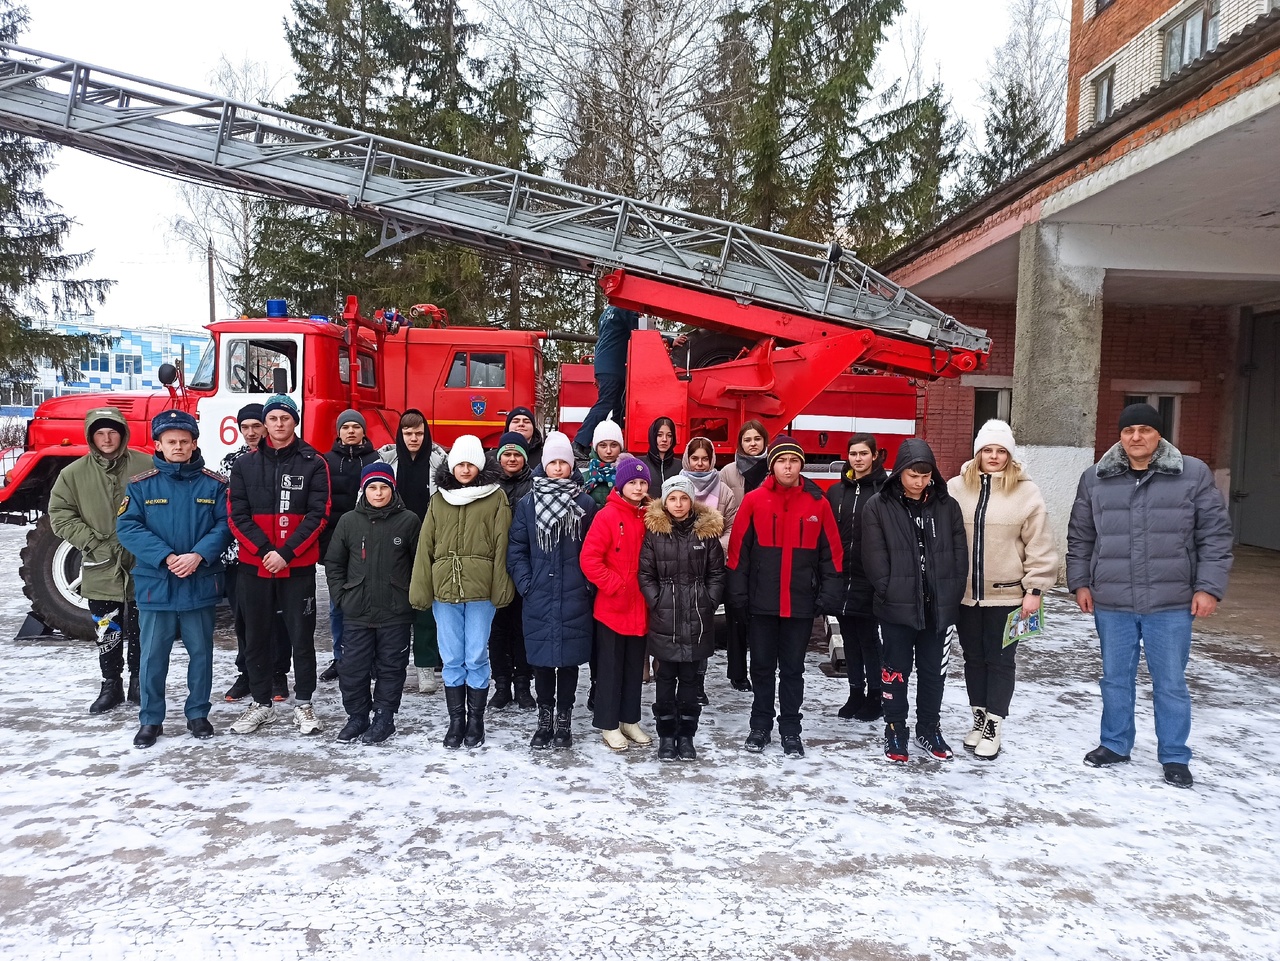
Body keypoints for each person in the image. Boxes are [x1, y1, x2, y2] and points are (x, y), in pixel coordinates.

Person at [1067, 403, 1233, 789]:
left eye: (1144, 430)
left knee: (1171, 681)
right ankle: (1115, 744)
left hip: (1171, 601)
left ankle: (1174, 755)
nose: (1136, 437)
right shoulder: (1095, 478)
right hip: (1112, 600)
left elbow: (1214, 535)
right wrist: (1080, 582)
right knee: (1115, 679)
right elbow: (1080, 537)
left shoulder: (1192, 474)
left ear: (1159, 434)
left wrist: (1208, 587)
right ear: (1120, 435)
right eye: (1128, 431)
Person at [116, 410, 231, 747]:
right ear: (159, 445)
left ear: (194, 443)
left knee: (201, 654)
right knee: (152, 656)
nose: (178, 447)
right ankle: (151, 719)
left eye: (184, 441)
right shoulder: (141, 486)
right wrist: (166, 557)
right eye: (171, 442)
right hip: (158, 584)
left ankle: (198, 714)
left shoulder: (215, 485)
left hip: (199, 580)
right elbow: (128, 527)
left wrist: (197, 555)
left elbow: (224, 525)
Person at [947, 421, 1056, 760]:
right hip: (965, 595)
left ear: (1009, 455)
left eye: (1001, 451)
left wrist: (1035, 590)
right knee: (973, 658)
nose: (993, 456)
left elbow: (1039, 544)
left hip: (1009, 595)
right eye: (988, 450)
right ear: (977, 452)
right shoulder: (955, 488)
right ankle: (978, 718)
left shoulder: (1026, 492)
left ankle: (995, 723)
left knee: (1001, 659)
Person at [727, 436, 841, 758]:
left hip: (800, 604)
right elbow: (738, 554)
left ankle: (791, 728)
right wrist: (738, 594)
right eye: (781, 461)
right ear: (772, 465)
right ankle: (760, 725)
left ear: (801, 465)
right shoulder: (754, 501)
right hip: (762, 603)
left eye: (793, 461)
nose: (787, 466)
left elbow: (831, 554)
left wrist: (828, 593)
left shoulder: (818, 503)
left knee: (792, 670)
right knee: (761, 668)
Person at [227, 394, 331, 736]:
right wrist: (264, 550)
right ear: (265, 423)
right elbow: (236, 515)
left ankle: (304, 703)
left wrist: (285, 553)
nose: (279, 424)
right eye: (273, 418)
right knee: (256, 636)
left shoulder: (313, 462)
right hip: (254, 567)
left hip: (296, 567)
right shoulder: (244, 465)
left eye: (285, 418)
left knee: (301, 637)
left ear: (295, 422)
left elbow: (319, 514)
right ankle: (261, 704)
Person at [861, 438, 967, 764]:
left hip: (938, 610)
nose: (919, 482)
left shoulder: (946, 506)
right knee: (895, 672)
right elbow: (874, 557)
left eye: (925, 475)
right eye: (913, 475)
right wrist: (888, 590)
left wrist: (951, 593)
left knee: (934, 672)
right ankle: (895, 729)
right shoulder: (878, 506)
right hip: (896, 609)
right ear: (900, 474)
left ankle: (929, 728)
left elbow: (959, 554)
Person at [409, 435, 515, 749]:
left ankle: (476, 720)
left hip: (481, 589)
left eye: (470, 464)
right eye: (460, 464)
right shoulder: (438, 500)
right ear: (452, 466)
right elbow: (425, 545)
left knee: (476, 654)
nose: (465, 470)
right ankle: (456, 721)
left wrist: (501, 586)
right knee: (452, 656)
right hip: (445, 588)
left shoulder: (495, 497)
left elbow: (502, 545)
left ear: (479, 465)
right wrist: (421, 586)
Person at [49, 407, 153, 714]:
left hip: (141, 565)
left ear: (122, 434)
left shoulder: (145, 465)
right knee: (107, 630)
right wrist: (92, 542)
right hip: (100, 566)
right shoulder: (73, 474)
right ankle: (111, 685)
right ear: (91, 437)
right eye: (100, 433)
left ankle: (138, 681)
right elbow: (60, 514)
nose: (107, 439)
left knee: (141, 628)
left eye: (112, 432)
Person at [506, 431, 598, 749]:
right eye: (553, 462)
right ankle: (544, 720)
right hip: (539, 595)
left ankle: (564, 721)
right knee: (543, 662)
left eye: (563, 462)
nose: (558, 468)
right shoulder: (528, 504)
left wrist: (587, 585)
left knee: (568, 662)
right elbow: (516, 549)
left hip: (574, 596)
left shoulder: (585, 503)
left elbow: (595, 549)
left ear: (571, 465)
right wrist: (527, 584)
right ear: (544, 464)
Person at [325, 463, 421, 744]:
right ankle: (357, 716)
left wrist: (409, 596)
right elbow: (334, 562)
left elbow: (419, 564)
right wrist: (341, 596)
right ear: (363, 490)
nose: (378, 493)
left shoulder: (409, 521)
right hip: (356, 610)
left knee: (391, 668)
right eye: (372, 487)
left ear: (393, 489)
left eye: (384, 487)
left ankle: (384, 717)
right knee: (352, 668)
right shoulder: (349, 522)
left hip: (395, 611)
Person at [639, 475, 725, 761]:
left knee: (690, 682)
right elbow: (646, 574)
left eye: (683, 498)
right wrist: (658, 601)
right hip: (665, 618)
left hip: (697, 619)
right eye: (672, 498)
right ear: (665, 501)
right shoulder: (655, 532)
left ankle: (686, 735)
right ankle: (666, 735)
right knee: (665, 680)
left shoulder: (706, 533)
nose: (678, 503)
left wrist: (709, 601)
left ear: (691, 501)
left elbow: (716, 574)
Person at [220, 404, 292, 704]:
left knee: (278, 620)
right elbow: (233, 511)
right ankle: (248, 673)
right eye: (244, 427)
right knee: (245, 620)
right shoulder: (232, 462)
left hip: (278, 556)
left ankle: (277, 673)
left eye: (255, 426)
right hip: (242, 557)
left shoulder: (284, 460)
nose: (250, 433)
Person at [580, 455, 652, 750]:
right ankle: (608, 723)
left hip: (640, 608)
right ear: (621, 485)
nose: (637, 488)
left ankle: (630, 719)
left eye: (642, 482)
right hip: (612, 607)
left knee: (635, 667)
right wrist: (616, 585)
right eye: (632, 482)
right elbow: (590, 559)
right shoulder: (607, 515)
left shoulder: (649, 516)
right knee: (610, 668)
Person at [380, 408, 446, 694]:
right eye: (408, 433)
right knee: (392, 606)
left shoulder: (439, 459)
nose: (413, 438)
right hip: (393, 539)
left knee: (424, 606)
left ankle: (426, 666)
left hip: (429, 539)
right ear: (400, 434)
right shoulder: (387, 458)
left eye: (418, 433)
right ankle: (390, 665)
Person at [825, 433, 889, 723]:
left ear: (874, 456)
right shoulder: (838, 491)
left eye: (864, 453)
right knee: (848, 637)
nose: (858, 459)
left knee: (869, 639)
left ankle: (876, 694)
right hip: (843, 575)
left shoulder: (886, 491)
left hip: (869, 577)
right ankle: (855, 691)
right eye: (853, 454)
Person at [319, 410, 380, 683]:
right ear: (339, 431)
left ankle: (373, 659)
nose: (351, 431)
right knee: (338, 606)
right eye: (346, 427)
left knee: (373, 605)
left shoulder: (377, 460)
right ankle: (340, 657)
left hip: (373, 544)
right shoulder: (326, 462)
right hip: (339, 546)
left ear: (364, 431)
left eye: (356, 426)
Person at [680, 435, 738, 704]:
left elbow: (732, 528)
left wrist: (710, 549)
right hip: (678, 570)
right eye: (695, 458)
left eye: (705, 458)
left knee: (702, 628)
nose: (700, 464)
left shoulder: (724, 491)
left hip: (709, 570)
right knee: (678, 627)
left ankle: (697, 683)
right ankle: (678, 678)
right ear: (687, 459)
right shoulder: (677, 487)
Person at [719, 420, 768, 691]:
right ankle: (737, 673)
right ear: (740, 443)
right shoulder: (728, 472)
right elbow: (720, 511)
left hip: (765, 551)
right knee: (735, 613)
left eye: (757, 439)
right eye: (747, 439)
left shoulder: (773, 471)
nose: (752, 443)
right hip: (735, 551)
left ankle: (760, 668)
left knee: (759, 614)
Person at [489, 432, 536, 711]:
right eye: (507, 454)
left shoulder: (534, 485)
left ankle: (522, 684)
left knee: (522, 628)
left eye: (517, 454)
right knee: (497, 629)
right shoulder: (489, 485)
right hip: (493, 566)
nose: (512, 459)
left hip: (524, 564)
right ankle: (502, 684)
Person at [572, 305, 641, 459]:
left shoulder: (607, 312)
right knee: (606, 403)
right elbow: (640, 331)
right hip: (614, 365)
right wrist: (669, 340)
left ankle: (617, 443)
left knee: (619, 407)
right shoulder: (625, 308)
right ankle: (579, 442)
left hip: (605, 364)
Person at [582, 419, 625, 508]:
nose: (608, 451)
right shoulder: (583, 478)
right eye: (603, 445)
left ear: (620, 448)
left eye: (613, 445)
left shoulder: (629, 476)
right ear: (595, 448)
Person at [641, 417, 681, 485]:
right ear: (653, 436)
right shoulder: (640, 463)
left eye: (669, 435)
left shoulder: (680, 466)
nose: (664, 439)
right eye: (659, 435)